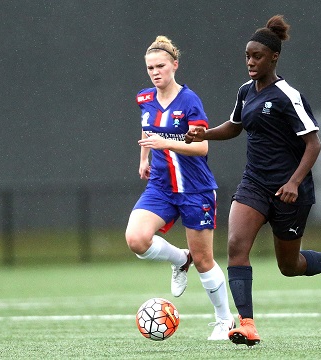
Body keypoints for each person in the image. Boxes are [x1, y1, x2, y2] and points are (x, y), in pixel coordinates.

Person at [185, 15, 321, 346]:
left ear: (274, 57)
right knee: (236, 246)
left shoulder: (287, 95)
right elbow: (235, 126)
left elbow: (314, 143)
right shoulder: (245, 91)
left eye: (257, 56)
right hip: (255, 184)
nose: (250, 62)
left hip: (290, 190)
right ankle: (247, 325)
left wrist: (293, 182)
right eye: (248, 55)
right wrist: (204, 134)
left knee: (289, 266)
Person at [125, 35, 234, 341]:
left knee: (204, 260)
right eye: (150, 68)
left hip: (195, 188)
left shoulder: (189, 101)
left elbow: (201, 148)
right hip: (160, 186)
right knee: (136, 239)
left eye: (161, 66)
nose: (155, 72)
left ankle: (224, 321)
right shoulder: (144, 98)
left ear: (174, 65)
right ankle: (178, 258)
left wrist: (165, 143)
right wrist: (145, 157)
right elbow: (147, 127)